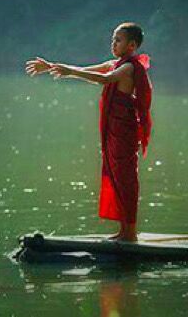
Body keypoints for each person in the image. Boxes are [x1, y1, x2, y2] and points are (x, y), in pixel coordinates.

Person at [25, 22, 152, 242]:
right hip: (113, 128)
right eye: (113, 38)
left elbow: (104, 79)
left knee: (126, 178)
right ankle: (124, 231)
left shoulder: (129, 67)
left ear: (132, 45)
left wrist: (68, 71)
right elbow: (87, 70)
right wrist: (53, 67)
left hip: (124, 131)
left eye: (119, 40)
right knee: (116, 176)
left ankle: (130, 234)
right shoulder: (115, 63)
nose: (114, 43)